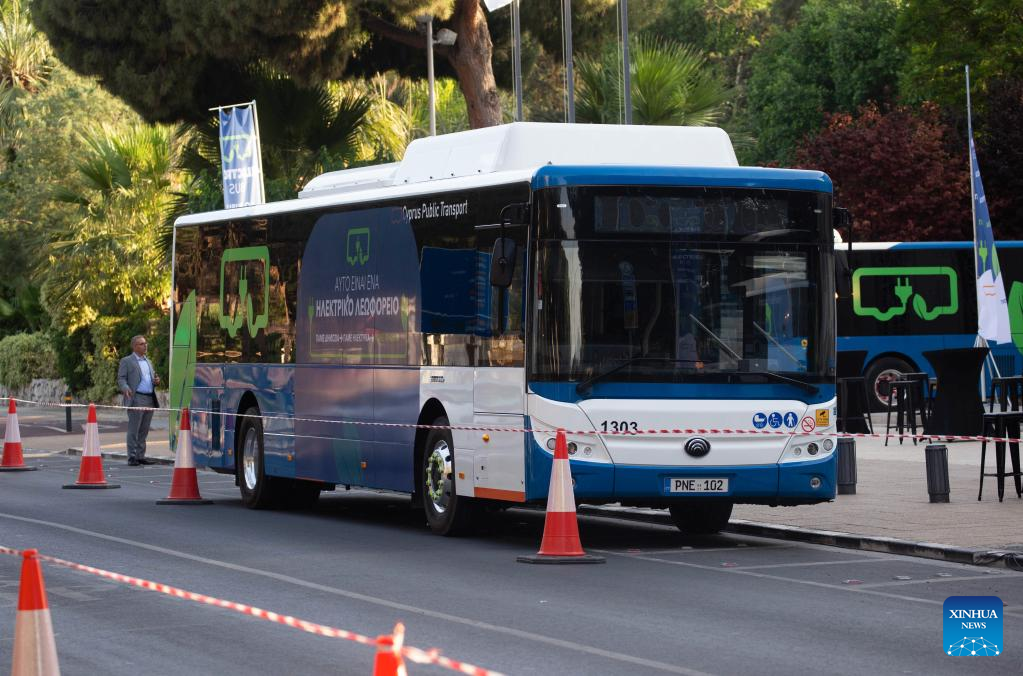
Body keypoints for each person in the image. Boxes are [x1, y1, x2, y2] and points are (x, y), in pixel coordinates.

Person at [116, 335, 161, 466]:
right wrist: (125, 388)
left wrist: (156, 381)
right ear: (135, 346)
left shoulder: (148, 361)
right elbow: (121, 378)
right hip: (136, 398)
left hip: (149, 398)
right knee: (134, 429)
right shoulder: (127, 361)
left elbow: (151, 379)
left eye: (145, 343)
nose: (145, 345)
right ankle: (132, 457)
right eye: (142, 344)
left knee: (144, 430)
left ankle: (140, 456)